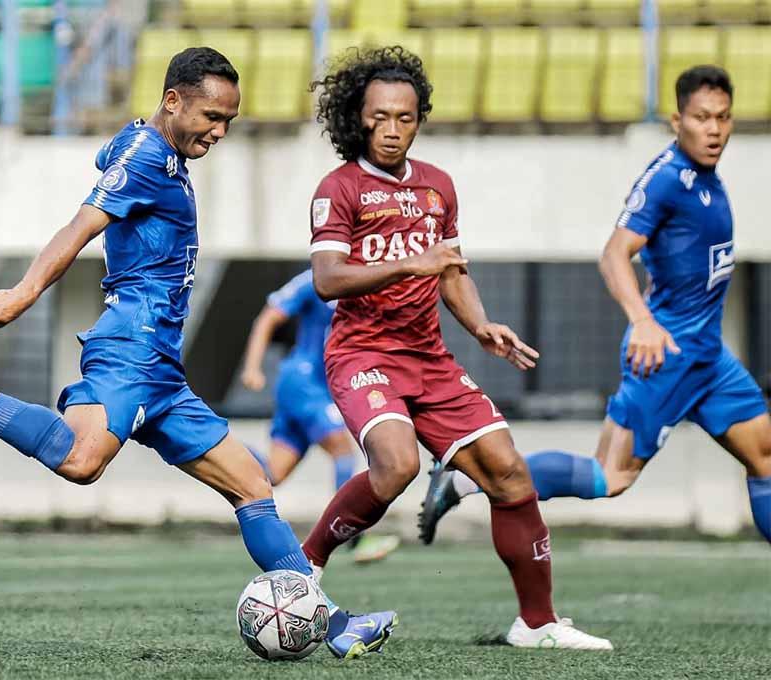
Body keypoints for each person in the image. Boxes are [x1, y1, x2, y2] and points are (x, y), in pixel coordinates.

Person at [0, 46, 397, 659]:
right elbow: (80, 226)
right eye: (211, 117)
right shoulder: (145, 157)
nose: (219, 132)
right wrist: (23, 294)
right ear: (173, 100)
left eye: (228, 123)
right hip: (131, 345)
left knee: (251, 484)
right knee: (83, 461)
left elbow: (112, 156)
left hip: (161, 365)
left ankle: (333, 621)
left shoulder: (151, 150)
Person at [301, 45, 611, 650]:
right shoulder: (339, 188)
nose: (392, 130)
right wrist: (413, 261)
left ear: (419, 119)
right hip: (363, 355)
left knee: (509, 473)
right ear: (357, 117)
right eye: (380, 117)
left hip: (430, 360)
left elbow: (450, 271)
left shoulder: (439, 187)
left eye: (405, 118)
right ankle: (305, 566)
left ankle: (538, 624)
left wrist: (482, 326)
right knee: (397, 465)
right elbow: (327, 279)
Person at [418, 65, 771, 547]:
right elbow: (613, 254)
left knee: (765, 460)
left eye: (723, 118)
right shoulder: (667, 180)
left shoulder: (707, 177)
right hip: (665, 355)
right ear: (676, 120)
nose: (714, 129)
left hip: (710, 358)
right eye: (702, 117)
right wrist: (643, 321)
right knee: (609, 477)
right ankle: (462, 480)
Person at [241, 268, 400, 564]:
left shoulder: (369, 280)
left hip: (317, 387)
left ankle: (221, 445)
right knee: (342, 450)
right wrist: (252, 367)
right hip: (303, 382)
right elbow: (268, 316)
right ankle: (354, 539)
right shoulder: (318, 278)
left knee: (275, 473)